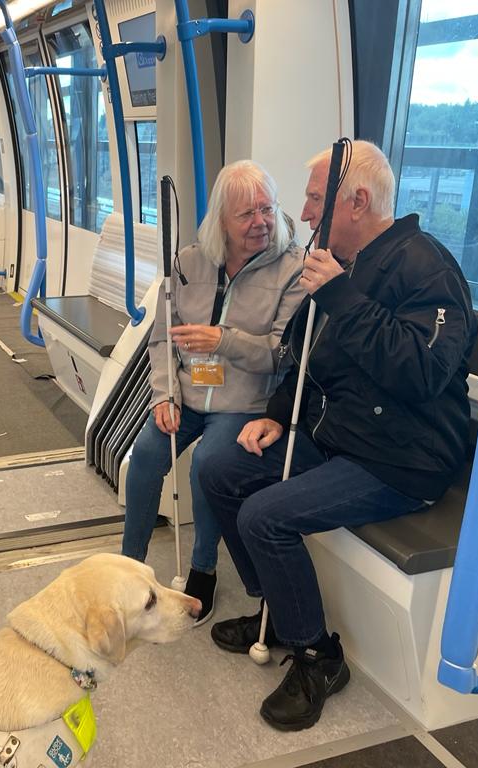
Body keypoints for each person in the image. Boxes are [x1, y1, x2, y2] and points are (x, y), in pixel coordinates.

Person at [199, 140, 478, 731]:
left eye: (314, 199)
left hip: (402, 458)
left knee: (265, 516)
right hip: (341, 435)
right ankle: (274, 609)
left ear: (355, 202)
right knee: (219, 470)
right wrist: (276, 411)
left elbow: (422, 372)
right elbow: (302, 354)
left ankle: (318, 657)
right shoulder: (344, 267)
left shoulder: (427, 267)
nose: (301, 214)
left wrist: (342, 298)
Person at [121, 160, 305, 624]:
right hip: (186, 395)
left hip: (245, 402)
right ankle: (127, 567)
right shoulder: (187, 261)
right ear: (221, 218)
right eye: (246, 214)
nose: (261, 222)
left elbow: (282, 355)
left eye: (268, 209)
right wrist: (163, 395)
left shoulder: (294, 269)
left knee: (208, 464)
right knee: (144, 455)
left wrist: (222, 340)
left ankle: (204, 568)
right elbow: (163, 338)